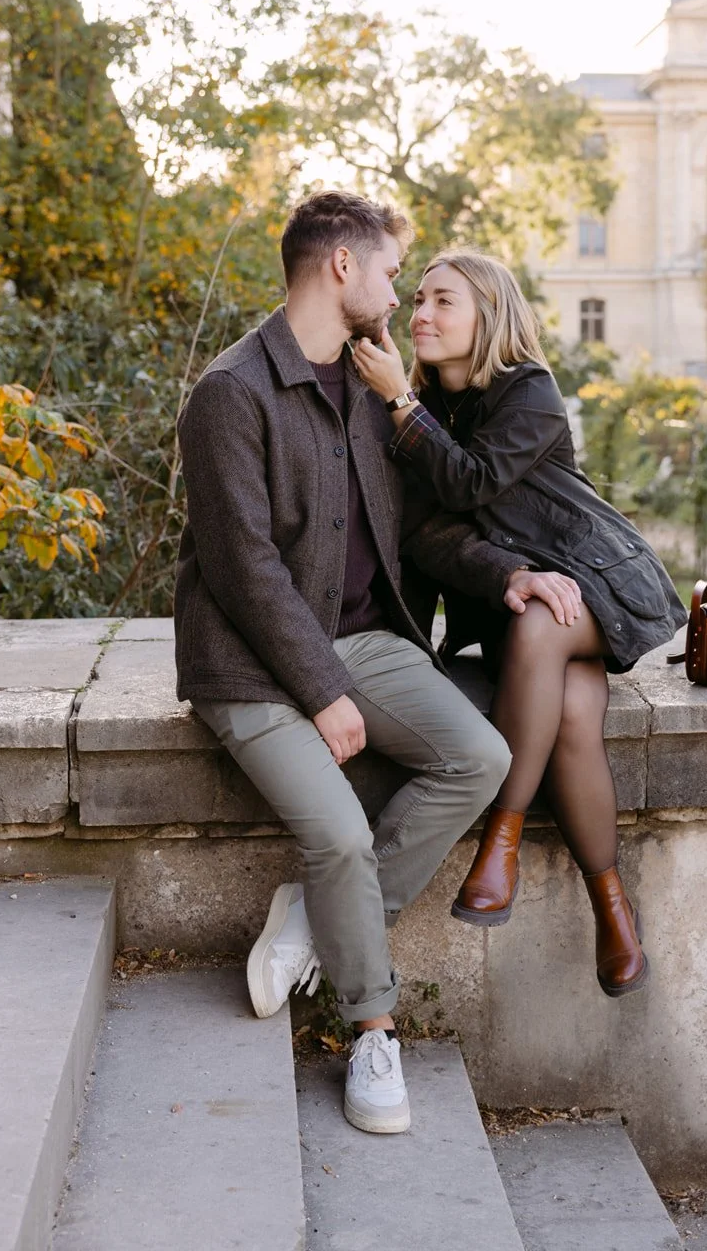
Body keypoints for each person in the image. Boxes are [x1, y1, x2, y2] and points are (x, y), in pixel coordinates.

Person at [174, 195, 576, 1135]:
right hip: (247, 662)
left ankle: (314, 919)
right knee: (342, 839)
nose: (401, 294)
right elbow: (244, 569)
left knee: (480, 759)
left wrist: (508, 573)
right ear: (342, 269)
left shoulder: (370, 385)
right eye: (393, 272)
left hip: (363, 640)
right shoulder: (230, 393)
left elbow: (427, 530)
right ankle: (371, 1030)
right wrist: (323, 693)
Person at [351, 250, 688, 997]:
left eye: (444, 301)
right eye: (417, 301)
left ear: (486, 315)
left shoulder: (525, 390)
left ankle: (498, 841)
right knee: (571, 711)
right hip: (520, 606)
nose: (422, 315)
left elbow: (471, 481)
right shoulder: (418, 415)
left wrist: (400, 405)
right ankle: (613, 913)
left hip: (599, 585)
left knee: (543, 620)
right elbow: (426, 536)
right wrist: (508, 574)